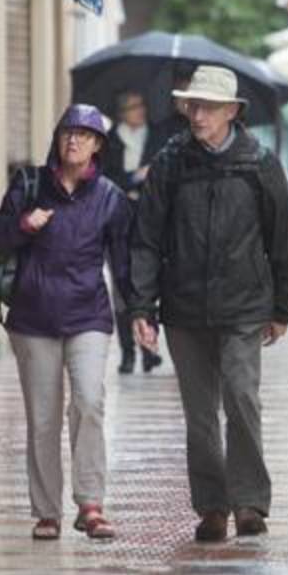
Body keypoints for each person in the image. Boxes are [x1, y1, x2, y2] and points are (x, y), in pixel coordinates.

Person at [127, 65, 288, 542]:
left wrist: (283, 306)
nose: (197, 114)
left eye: (207, 106)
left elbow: (282, 238)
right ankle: (211, 506)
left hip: (244, 305)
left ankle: (249, 502)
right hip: (184, 307)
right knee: (200, 413)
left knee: (242, 398)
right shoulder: (170, 163)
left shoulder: (259, 163)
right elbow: (145, 238)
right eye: (192, 105)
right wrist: (141, 307)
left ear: (231, 112)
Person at [0, 104, 129, 541]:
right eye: (68, 132)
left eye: (84, 135)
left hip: (88, 316)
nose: (74, 140)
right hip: (33, 317)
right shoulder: (30, 185)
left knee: (89, 401)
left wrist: (142, 313)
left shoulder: (109, 197)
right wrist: (24, 224)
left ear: (97, 145)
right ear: (58, 138)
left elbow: (123, 263)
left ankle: (91, 503)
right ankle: (47, 511)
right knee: (43, 419)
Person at [102, 89, 164, 373]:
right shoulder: (109, 141)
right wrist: (135, 177)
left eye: (141, 105)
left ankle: (149, 350)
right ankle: (127, 353)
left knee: (147, 283)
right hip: (118, 222)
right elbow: (105, 179)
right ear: (121, 113)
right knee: (121, 287)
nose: (139, 110)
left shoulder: (158, 137)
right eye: (131, 106)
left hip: (149, 220)